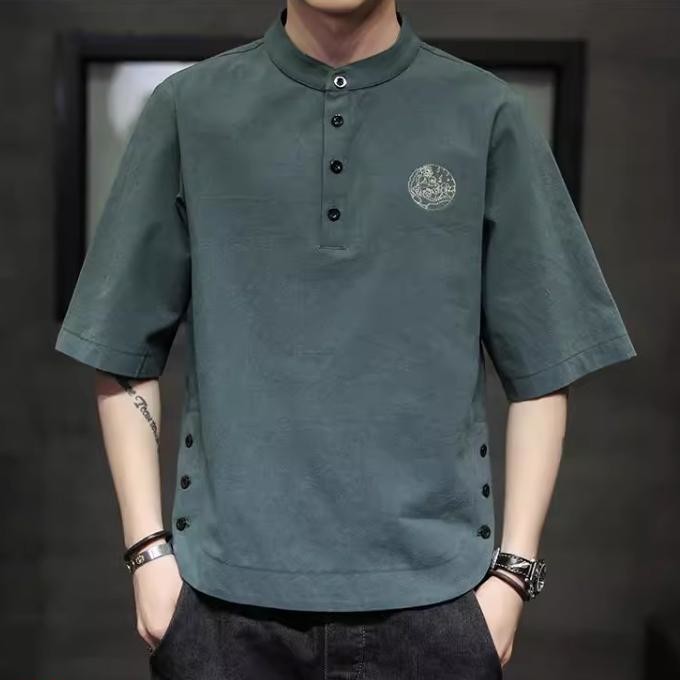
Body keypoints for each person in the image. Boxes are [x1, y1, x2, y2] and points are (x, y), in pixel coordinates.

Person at [54, 1, 638, 678]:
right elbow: (122, 347)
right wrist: (147, 555)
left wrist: (513, 575)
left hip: (436, 604)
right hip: (220, 605)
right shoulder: (189, 110)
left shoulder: (485, 113)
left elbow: (544, 365)